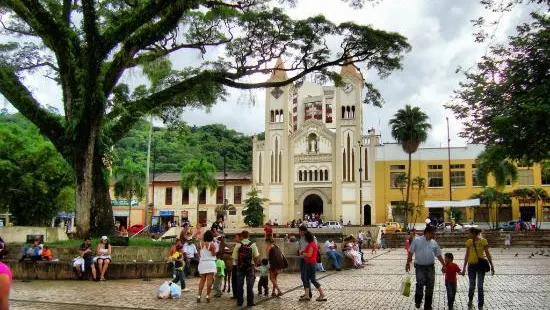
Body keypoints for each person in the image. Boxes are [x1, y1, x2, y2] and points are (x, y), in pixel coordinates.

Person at [405, 225, 446, 310]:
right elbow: (410, 253)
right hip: (420, 267)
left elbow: (438, 255)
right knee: (420, 284)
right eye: (432, 233)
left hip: (430, 267)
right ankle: (418, 301)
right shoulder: (416, 240)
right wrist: (408, 263)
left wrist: (444, 265)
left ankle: (428, 305)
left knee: (430, 286)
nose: (433, 235)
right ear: (427, 233)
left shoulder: (434, 242)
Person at [462, 227, 494, 310]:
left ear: (473, 233)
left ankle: (480, 304)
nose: (468, 235)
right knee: (472, 285)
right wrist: (464, 267)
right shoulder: (469, 242)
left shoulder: (483, 241)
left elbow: (487, 254)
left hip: (480, 266)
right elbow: (466, 255)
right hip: (471, 266)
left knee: (480, 286)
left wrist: (492, 266)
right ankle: (470, 299)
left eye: (469, 233)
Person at [233, 230, 259, 307]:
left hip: (240, 267)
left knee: (240, 285)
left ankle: (239, 302)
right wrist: (254, 263)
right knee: (250, 285)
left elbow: (234, 257)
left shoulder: (238, 245)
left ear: (241, 236)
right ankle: (250, 302)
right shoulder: (253, 244)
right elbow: (256, 256)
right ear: (248, 236)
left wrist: (239, 264)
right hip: (250, 267)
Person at [299, 231, 327, 302]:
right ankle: (307, 295)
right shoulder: (312, 244)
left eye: (305, 237)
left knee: (313, 280)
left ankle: (322, 294)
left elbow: (309, 254)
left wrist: (303, 253)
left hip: (310, 264)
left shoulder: (311, 244)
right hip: (310, 263)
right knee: (307, 279)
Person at [197, 230, 217, 303]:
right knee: (209, 281)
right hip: (210, 263)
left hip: (202, 263)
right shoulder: (212, 245)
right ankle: (207, 296)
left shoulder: (200, 244)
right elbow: (214, 254)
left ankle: (199, 296)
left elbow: (199, 253)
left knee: (202, 280)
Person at [230, 233, 242, 300]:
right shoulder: (240, 245)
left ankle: (236, 295)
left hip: (236, 265)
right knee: (237, 280)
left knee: (235, 280)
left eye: (236, 237)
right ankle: (237, 294)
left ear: (240, 237)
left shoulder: (238, 245)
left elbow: (234, 256)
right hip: (238, 265)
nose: (235, 238)